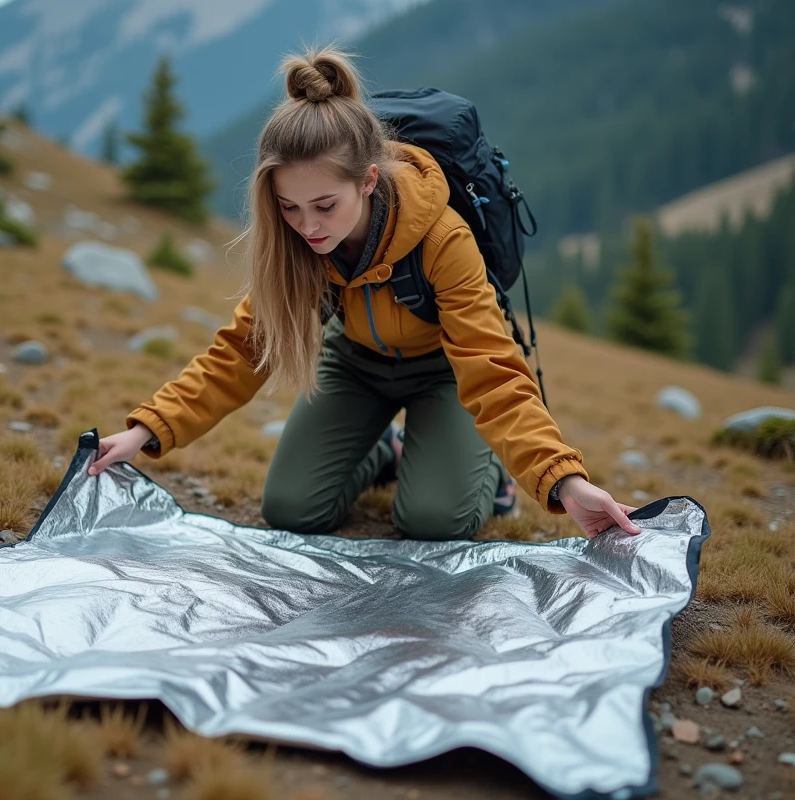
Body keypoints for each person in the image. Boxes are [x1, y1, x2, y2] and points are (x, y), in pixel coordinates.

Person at [89, 45, 640, 542]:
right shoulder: (298, 244)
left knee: (430, 519)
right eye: (289, 207)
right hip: (355, 362)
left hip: (446, 371)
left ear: (370, 180)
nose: (307, 226)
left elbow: (493, 370)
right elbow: (243, 348)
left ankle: (488, 471)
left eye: (325, 205)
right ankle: (387, 451)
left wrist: (563, 481)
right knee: (290, 508)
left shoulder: (443, 238)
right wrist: (146, 429)